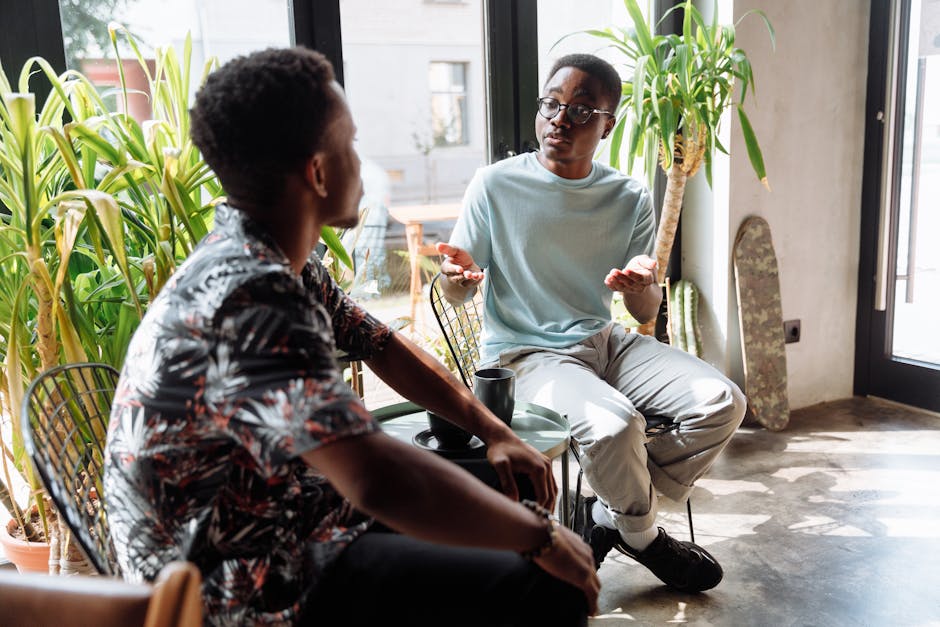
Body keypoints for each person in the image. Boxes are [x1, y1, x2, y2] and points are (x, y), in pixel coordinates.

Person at [103, 47, 599, 626]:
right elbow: (375, 480)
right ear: (316, 171)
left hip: (276, 519)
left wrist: (494, 433)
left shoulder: (277, 258)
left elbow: (380, 344)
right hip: (225, 584)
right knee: (545, 585)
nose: (363, 164)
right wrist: (540, 540)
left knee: (503, 480)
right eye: (351, 144)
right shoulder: (251, 295)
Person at [438, 53, 747, 594]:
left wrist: (641, 287)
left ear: (608, 123)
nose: (560, 119)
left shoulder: (627, 196)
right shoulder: (494, 185)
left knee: (724, 403)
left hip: (606, 342)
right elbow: (457, 293)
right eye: (551, 105)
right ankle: (643, 534)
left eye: (581, 111)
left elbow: (645, 313)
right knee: (613, 428)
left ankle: (610, 512)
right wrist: (459, 279)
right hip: (524, 356)